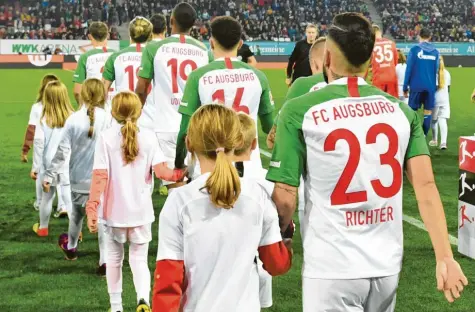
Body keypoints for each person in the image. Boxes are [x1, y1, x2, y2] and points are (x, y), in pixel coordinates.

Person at [267, 12, 467, 311]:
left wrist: (280, 235)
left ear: (329, 58)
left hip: (332, 267)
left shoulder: (300, 110)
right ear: (371, 58)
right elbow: (425, 186)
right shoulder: (402, 112)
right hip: (386, 266)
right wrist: (445, 257)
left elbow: (285, 196)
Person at [152, 105, 292, 312]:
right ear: (237, 141)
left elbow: (168, 280)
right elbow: (276, 264)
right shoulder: (257, 195)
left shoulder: (179, 201)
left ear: (189, 143)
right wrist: (288, 238)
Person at [85, 92, 186, 312]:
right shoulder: (149, 137)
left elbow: (100, 176)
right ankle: (143, 300)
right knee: (139, 259)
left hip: (113, 213)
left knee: (114, 259)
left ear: (113, 112)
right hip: (141, 212)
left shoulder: (106, 137)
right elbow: (162, 172)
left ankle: (116, 307)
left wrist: (92, 208)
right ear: (139, 112)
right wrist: (180, 174)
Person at [175, 16, 274, 174]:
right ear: (240, 44)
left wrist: (178, 163)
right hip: (249, 166)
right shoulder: (258, 76)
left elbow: (185, 129)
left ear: (211, 42)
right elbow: (270, 127)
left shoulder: (198, 76)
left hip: (209, 166)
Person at [136, 2, 212, 191]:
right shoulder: (204, 51)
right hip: (196, 126)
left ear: (171, 20)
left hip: (165, 126)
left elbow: (141, 88)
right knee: (199, 185)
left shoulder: (154, 49)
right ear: (194, 24)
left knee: (176, 188)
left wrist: (135, 114)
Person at [42, 79, 109, 275]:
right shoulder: (109, 118)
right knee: (102, 218)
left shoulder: (73, 120)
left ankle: (71, 248)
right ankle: (104, 260)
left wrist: (49, 175)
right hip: (103, 179)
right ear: (102, 95)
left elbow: (62, 152)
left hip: (79, 179)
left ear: (83, 95)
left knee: (77, 216)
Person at [267, 36, 327, 237]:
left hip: (311, 171)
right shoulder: (359, 90)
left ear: (314, 63)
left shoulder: (302, 85)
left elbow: (275, 134)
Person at [234, 113, 274, 309]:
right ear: (254, 144)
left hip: (217, 268)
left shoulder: (208, 177)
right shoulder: (266, 179)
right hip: (258, 265)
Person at [32, 81, 74, 237]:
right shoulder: (73, 117)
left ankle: (43, 228)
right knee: (68, 195)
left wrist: (36, 167)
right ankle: (75, 230)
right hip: (68, 162)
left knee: (47, 196)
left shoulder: (43, 119)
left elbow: (38, 143)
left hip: (48, 163)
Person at [22, 74, 66, 217]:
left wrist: (26, 151)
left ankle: (41, 206)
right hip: (65, 155)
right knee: (62, 180)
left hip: (46, 155)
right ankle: (63, 206)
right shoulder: (68, 112)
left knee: (43, 179)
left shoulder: (38, 109)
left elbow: (34, 134)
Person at [403, 28, 440, 136]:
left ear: (419, 36)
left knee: (412, 111)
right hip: (430, 86)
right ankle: (423, 135)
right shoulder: (435, 52)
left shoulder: (414, 50)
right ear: (430, 37)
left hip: (416, 85)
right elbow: (436, 70)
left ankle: (412, 135)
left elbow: (408, 69)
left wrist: (405, 87)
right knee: (428, 112)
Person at [103, 17, 153, 94]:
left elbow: (103, 89)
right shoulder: (155, 57)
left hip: (124, 104)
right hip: (149, 105)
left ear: (129, 33)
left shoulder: (115, 57)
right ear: (150, 35)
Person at [137, 13, 168, 131]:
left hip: (147, 111)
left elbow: (141, 86)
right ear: (166, 28)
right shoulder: (170, 48)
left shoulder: (146, 49)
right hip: (170, 109)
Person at [73, 22, 115, 107]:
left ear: (90, 36)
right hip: (115, 107)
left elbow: (77, 91)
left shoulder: (86, 57)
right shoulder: (117, 55)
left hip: (94, 108)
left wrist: (85, 109)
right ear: (107, 35)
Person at [371, 24, 398, 98]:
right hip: (391, 77)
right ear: (380, 32)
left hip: (378, 78)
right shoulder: (391, 43)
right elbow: (395, 63)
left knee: (379, 104)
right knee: (392, 104)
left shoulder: (371, 45)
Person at [430, 56, 451, 150]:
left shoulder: (433, 73)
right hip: (445, 100)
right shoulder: (447, 73)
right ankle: (443, 143)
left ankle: (434, 139)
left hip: (435, 100)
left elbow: (433, 88)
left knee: (433, 121)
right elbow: (449, 88)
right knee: (442, 120)